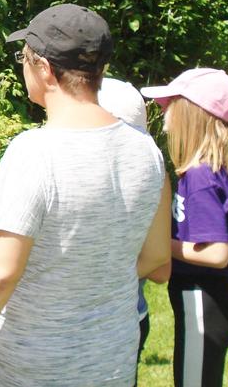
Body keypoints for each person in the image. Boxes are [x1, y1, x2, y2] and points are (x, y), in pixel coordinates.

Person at [0, 3, 169, 387]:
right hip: (110, 365)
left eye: (23, 57)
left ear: (43, 69)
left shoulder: (35, 153)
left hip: (27, 371)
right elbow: (157, 255)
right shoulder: (146, 151)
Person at [141, 68, 228, 387]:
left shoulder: (199, 177)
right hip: (209, 300)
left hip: (202, 300)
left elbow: (216, 254)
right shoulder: (211, 171)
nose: (162, 113)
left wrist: (157, 243)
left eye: (170, 105)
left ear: (192, 116)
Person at [99, 77, 173, 384]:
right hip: (131, 316)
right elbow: (159, 266)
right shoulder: (154, 171)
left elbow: (160, 267)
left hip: (91, 324)